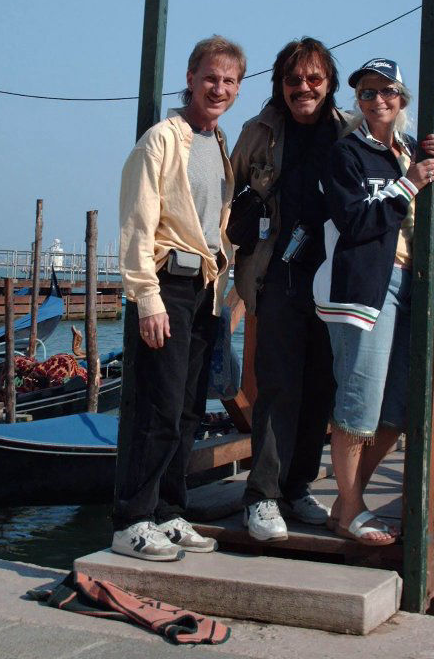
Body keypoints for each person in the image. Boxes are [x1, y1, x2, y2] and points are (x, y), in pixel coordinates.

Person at [313, 57, 434, 544]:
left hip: (410, 285)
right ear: (357, 100)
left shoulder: (410, 151)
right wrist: (411, 182)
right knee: (357, 402)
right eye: (367, 93)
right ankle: (353, 508)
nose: (378, 101)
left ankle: (345, 502)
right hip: (361, 290)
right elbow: (355, 221)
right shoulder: (346, 154)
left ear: (403, 99)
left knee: (398, 407)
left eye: (387, 92)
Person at [113, 35, 246, 562]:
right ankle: (131, 520)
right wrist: (146, 298)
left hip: (206, 290)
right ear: (190, 79)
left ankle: (169, 512)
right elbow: (137, 223)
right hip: (167, 286)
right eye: (210, 78)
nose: (218, 88)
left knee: (189, 410)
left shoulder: (217, 143)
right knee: (159, 408)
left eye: (229, 81)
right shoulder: (161, 140)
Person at [230, 37, 356, 541]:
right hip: (278, 276)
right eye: (293, 79)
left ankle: (297, 487)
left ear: (328, 84)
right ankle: (261, 497)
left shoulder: (353, 133)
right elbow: (226, 194)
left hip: (336, 282)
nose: (303, 88)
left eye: (314, 79)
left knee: (321, 389)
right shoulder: (258, 133)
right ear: (280, 83)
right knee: (278, 387)